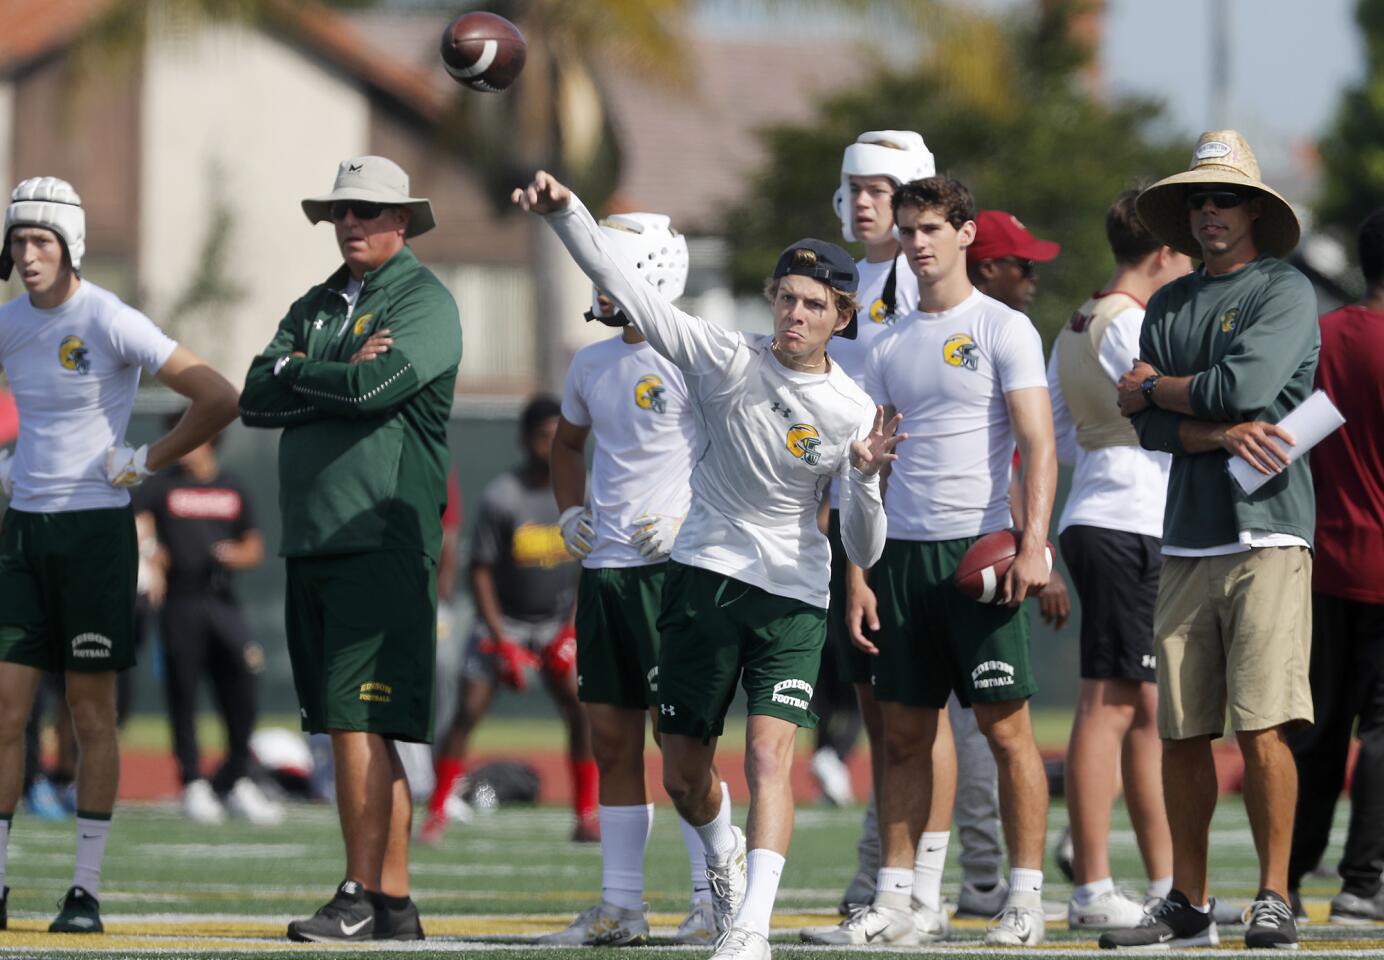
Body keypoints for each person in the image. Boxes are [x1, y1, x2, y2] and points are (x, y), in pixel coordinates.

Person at [515, 170, 898, 960]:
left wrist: (862, 477)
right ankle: (716, 854)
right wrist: (565, 214)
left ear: (842, 318)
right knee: (683, 773)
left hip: (791, 597)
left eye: (814, 304)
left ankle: (748, 928)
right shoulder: (724, 357)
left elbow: (863, 546)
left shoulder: (856, 411)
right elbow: (627, 285)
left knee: (768, 756)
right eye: (786, 297)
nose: (795, 314)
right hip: (703, 581)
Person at [822, 176, 1058, 947]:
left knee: (1007, 733)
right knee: (901, 736)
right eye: (910, 228)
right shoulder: (885, 340)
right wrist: (858, 572)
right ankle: (896, 902)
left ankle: (1023, 900)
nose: (918, 243)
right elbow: (872, 468)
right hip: (899, 559)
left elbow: (1038, 444)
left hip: (979, 553)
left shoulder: (1004, 328)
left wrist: (1033, 545)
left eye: (932, 229)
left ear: (964, 236)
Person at [0, 176, 239, 934]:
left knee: (89, 712)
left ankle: (85, 890)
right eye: (17, 242)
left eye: (41, 241)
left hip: (97, 533)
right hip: (23, 533)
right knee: (5, 713)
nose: (28, 256)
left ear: (69, 245)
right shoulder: (8, 323)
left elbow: (218, 395)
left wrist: (149, 459)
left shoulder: (107, 317)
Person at [1102, 130, 1318, 950]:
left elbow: (1246, 386)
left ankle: (1273, 897)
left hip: (1268, 534)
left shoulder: (1284, 291)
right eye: (1196, 199)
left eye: (1223, 197)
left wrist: (1158, 389)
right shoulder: (1167, 303)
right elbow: (1150, 429)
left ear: (1255, 208)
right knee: (1183, 730)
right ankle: (1188, 901)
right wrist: (1220, 434)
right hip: (1188, 536)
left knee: (1262, 727)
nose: (1208, 211)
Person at [238, 156, 462, 943]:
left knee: (357, 726)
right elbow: (252, 397)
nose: (351, 223)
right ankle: (394, 905)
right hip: (316, 538)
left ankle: (360, 893)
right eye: (342, 211)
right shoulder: (319, 300)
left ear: (403, 220)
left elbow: (378, 390)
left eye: (367, 210)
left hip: (379, 533)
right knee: (352, 728)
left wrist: (298, 371)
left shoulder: (426, 300)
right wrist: (313, 370)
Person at [541, 211, 725, 946]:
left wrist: (692, 521)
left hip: (673, 574)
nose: (598, 280)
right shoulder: (590, 363)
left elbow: (733, 454)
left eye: (608, 264)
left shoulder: (696, 355)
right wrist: (567, 514)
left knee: (681, 750)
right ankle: (622, 907)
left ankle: (716, 894)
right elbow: (565, 444)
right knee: (611, 742)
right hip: (607, 574)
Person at [1046, 190, 1189, 929]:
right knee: (1108, 703)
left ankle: (1164, 880)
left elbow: (1063, 434)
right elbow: (1170, 403)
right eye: (1185, 247)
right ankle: (1093, 884)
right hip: (1126, 517)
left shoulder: (1077, 321)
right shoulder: (1131, 321)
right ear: (1161, 251)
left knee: (1141, 706)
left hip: (1102, 510)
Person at [422, 395, 593, 845]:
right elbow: (479, 570)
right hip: (506, 622)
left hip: (558, 621)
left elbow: (592, 566)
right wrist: (502, 639)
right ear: (523, 440)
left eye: (558, 437)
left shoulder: (581, 490)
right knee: (468, 712)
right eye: (541, 437)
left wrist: (571, 629)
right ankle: (436, 811)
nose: (549, 446)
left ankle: (586, 816)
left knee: (582, 710)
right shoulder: (503, 496)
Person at [1285, 208, 1384, 925]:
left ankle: (1284, 877)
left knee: (1314, 728)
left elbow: (1286, 441)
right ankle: (1363, 881)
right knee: (1381, 730)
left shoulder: (1321, 339)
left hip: (1319, 564)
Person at [134, 423, 283, 826]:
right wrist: (152, 556)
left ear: (211, 440)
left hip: (223, 602)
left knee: (243, 684)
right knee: (182, 692)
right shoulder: (161, 486)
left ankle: (235, 778)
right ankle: (193, 783)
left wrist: (236, 554)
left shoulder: (232, 486)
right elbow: (138, 521)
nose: (184, 446)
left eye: (192, 435)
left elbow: (254, 545)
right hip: (180, 603)